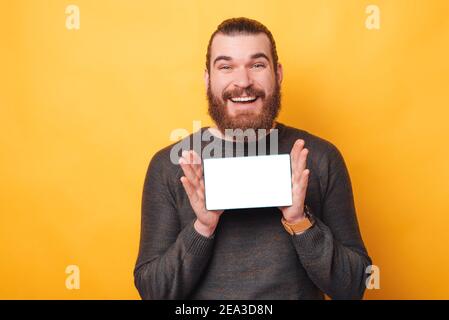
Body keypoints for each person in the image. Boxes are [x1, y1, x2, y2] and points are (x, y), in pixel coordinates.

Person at [134, 17, 372, 299]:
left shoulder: (319, 157)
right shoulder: (171, 165)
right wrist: (202, 228)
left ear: (278, 74)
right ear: (208, 78)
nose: (243, 81)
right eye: (226, 67)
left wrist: (300, 221)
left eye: (257, 65)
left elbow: (354, 285)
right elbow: (153, 292)